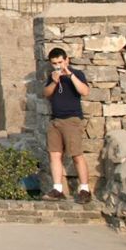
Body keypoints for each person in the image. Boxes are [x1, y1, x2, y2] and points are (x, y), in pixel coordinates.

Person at [42, 47, 92, 203]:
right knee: (54, 154)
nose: (58, 65)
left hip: (72, 119)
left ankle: (84, 189)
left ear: (66, 60)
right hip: (55, 120)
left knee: (77, 154)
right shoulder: (52, 76)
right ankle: (57, 189)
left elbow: (84, 91)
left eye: (60, 62)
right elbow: (47, 94)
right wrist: (55, 81)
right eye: (54, 63)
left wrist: (69, 75)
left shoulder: (77, 74)